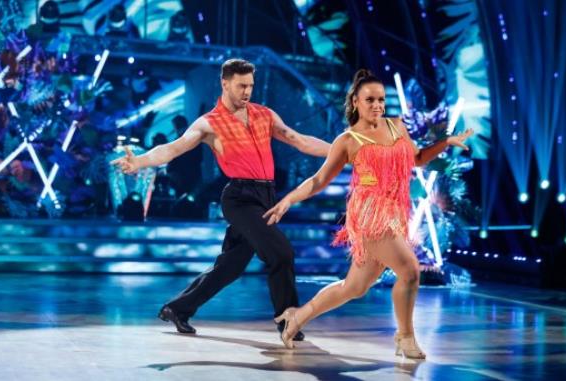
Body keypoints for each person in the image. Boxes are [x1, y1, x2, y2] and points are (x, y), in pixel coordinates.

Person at [112, 58, 330, 340]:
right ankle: (287, 319)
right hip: (240, 199)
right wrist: (140, 161)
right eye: (241, 86)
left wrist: (342, 151)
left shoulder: (264, 114)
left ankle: (178, 309)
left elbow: (299, 140)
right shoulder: (210, 123)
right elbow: (173, 149)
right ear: (224, 83)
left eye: (250, 85)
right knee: (282, 253)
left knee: (230, 267)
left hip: (266, 196)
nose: (247, 91)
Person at [263, 69, 473, 357]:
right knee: (410, 270)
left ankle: (296, 316)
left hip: (395, 214)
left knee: (354, 287)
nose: (377, 105)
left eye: (381, 99)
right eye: (370, 100)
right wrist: (288, 199)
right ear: (356, 103)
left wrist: (445, 144)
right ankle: (405, 337)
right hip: (369, 217)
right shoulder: (348, 141)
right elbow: (318, 180)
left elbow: (419, 159)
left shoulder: (397, 127)